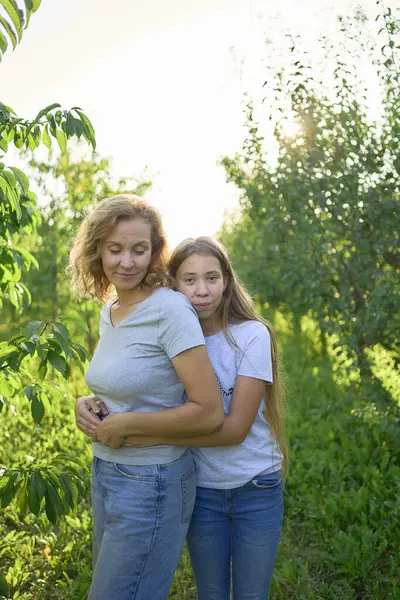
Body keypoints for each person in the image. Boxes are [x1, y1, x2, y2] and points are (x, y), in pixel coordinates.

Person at [78, 235, 287, 600]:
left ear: (227, 280)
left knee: (252, 593)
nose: (202, 290)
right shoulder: (173, 332)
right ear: (172, 284)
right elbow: (143, 386)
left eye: (212, 278)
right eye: (189, 280)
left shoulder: (251, 336)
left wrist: (143, 434)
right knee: (211, 591)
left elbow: (235, 429)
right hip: (203, 487)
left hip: (255, 485)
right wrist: (92, 401)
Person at [70, 196, 224, 600]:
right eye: (115, 249)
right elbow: (129, 381)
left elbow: (209, 412)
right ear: (97, 249)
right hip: (107, 472)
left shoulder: (170, 311)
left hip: (152, 481)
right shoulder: (111, 310)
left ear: (155, 252)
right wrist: (88, 403)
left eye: (139, 250)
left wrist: (128, 424)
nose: (127, 262)